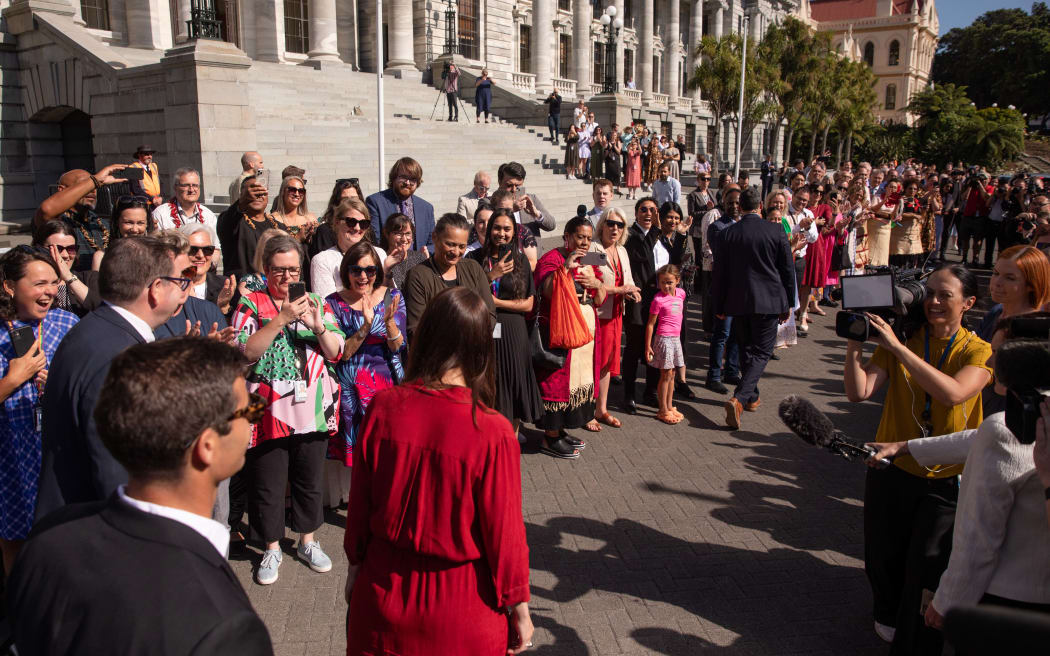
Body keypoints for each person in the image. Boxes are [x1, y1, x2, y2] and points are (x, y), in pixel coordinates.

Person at [8, 337, 274, 655]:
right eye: (250, 409)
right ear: (208, 446)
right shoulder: (225, 630)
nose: (254, 419)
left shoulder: (47, 543)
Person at [343, 287, 532, 655]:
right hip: (461, 606)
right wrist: (519, 607)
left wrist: (354, 567)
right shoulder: (492, 431)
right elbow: (504, 532)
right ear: (481, 348)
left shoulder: (384, 407)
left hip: (382, 593)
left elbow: (359, 506)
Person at [843, 263, 992, 652]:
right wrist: (854, 342)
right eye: (930, 293)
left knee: (926, 560)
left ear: (969, 303)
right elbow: (860, 393)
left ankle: (918, 631)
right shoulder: (905, 338)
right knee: (883, 553)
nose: (934, 302)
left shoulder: (979, 350)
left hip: (945, 474)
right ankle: (888, 614)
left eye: (946, 295)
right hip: (891, 465)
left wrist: (897, 348)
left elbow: (954, 394)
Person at [863, 342, 1050, 635]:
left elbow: (980, 536)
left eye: (999, 350)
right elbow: (975, 438)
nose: (990, 357)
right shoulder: (1030, 421)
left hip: (1004, 599)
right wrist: (905, 447)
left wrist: (948, 599)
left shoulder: (1005, 430)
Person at [35, 237, 190, 519]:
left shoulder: (95, 329)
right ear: (156, 289)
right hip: (97, 537)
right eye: (180, 281)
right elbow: (118, 474)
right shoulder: (121, 358)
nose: (184, 292)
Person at [232, 234, 344, 585]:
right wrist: (280, 319)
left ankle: (308, 540)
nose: (286, 277)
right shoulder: (251, 303)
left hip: (312, 403)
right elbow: (244, 353)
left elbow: (335, 351)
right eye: (279, 270)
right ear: (266, 269)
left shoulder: (315, 301)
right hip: (264, 407)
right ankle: (271, 546)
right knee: (268, 478)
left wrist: (316, 325)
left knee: (308, 477)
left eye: (293, 269)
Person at [0, 247, 79, 575]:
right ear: (10, 287)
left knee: (64, 542)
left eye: (52, 283)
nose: (48, 291)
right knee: (15, 545)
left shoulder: (68, 322)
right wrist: (13, 379)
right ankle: (23, 616)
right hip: (9, 458)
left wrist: (59, 382)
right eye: (38, 284)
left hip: (56, 451)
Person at [325, 240, 406, 506]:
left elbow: (397, 345)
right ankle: (360, 503)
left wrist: (389, 322)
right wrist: (365, 328)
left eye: (370, 271)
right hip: (350, 386)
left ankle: (384, 501)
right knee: (358, 454)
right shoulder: (333, 303)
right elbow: (342, 353)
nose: (363, 277)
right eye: (356, 270)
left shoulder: (392, 297)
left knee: (385, 448)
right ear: (346, 271)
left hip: (386, 383)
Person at [711, 187, 794, 430]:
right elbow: (787, 270)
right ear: (760, 205)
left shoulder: (728, 234)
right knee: (761, 351)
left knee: (747, 348)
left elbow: (719, 274)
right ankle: (740, 398)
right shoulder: (776, 230)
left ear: (741, 206)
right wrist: (789, 302)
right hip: (768, 301)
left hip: (739, 302)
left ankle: (751, 396)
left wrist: (719, 303)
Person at [534, 217, 606, 457]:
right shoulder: (551, 258)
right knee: (556, 381)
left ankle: (561, 430)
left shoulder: (590, 261)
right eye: (579, 237)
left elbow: (600, 297)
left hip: (585, 335)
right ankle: (550, 437)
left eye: (588, 238)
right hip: (560, 333)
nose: (584, 243)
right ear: (567, 235)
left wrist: (596, 282)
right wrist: (565, 268)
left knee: (578, 382)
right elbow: (546, 290)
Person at [467, 209, 544, 431]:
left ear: (515, 232)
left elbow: (529, 303)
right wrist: (491, 276)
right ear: (489, 229)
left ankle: (511, 439)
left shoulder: (520, 261)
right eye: (497, 228)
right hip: (483, 329)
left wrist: (496, 302)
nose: (501, 233)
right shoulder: (474, 259)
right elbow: (467, 294)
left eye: (507, 229)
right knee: (487, 385)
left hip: (513, 331)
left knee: (513, 384)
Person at [403, 212, 495, 337]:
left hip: (474, 350)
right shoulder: (418, 275)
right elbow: (416, 328)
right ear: (435, 237)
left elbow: (490, 315)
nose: (456, 252)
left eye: (462, 246)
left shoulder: (473, 268)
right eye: (450, 244)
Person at [590, 208, 640, 429]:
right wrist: (621, 289)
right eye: (611, 223)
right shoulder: (595, 249)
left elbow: (626, 280)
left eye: (620, 225)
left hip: (615, 314)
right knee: (594, 362)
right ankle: (587, 410)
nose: (615, 229)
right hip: (597, 315)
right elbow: (592, 285)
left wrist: (632, 292)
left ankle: (601, 409)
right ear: (602, 225)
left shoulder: (622, 251)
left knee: (608, 363)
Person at [32, 164, 128, 271]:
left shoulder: (102, 223)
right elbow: (47, 210)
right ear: (62, 189)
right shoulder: (56, 222)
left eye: (95, 186)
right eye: (85, 185)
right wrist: (96, 180)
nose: (93, 189)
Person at [621, 198, 661, 414]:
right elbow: (643, 255)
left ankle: (651, 390)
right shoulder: (631, 235)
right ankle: (628, 394)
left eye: (653, 210)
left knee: (655, 344)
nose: (648, 214)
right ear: (636, 213)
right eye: (644, 210)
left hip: (658, 300)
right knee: (635, 347)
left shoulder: (660, 235)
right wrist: (655, 229)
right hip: (637, 299)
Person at [311, 198, 388, 300]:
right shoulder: (323, 260)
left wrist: (387, 271)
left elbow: (390, 297)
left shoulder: (379, 254)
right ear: (337, 222)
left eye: (363, 223)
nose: (357, 228)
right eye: (351, 222)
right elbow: (326, 305)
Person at [705, 186, 742, 393]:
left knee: (737, 333)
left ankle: (731, 371)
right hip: (724, 289)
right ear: (724, 204)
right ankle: (713, 376)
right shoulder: (717, 227)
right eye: (730, 203)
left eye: (738, 203)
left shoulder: (742, 224)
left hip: (740, 291)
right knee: (722, 334)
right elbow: (726, 255)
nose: (734, 206)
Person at [217, 176, 288, 279]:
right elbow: (229, 219)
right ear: (243, 196)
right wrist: (243, 201)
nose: (257, 196)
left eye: (261, 192)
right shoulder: (234, 222)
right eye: (252, 192)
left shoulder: (278, 226)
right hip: (242, 288)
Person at [366, 158, 435, 253]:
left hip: (419, 263)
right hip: (388, 262)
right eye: (403, 177)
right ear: (394, 178)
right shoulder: (375, 202)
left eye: (413, 179)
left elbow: (433, 243)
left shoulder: (426, 208)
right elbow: (374, 241)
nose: (407, 183)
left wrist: (420, 257)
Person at [645, 264, 686, 425]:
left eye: (669, 282)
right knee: (665, 375)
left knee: (672, 374)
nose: (666, 286)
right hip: (663, 339)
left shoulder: (681, 294)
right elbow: (650, 324)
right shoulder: (658, 300)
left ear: (677, 280)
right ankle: (662, 410)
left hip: (675, 339)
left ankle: (669, 406)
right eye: (663, 282)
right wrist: (647, 345)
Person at [32, 220, 97, 316]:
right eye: (58, 249)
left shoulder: (88, 278)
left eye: (71, 249)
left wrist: (68, 277)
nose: (65, 255)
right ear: (39, 249)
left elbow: (103, 309)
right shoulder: (31, 283)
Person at [91, 194, 154, 270]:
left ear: (147, 224)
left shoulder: (157, 256)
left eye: (140, 223)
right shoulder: (102, 258)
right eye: (128, 222)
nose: (134, 229)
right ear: (117, 222)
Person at [496, 160, 556, 239]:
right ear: (499, 182)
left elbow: (551, 225)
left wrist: (537, 214)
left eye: (518, 186)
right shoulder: (489, 201)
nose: (513, 190)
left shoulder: (531, 199)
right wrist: (511, 210)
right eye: (509, 185)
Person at [184, 225, 236, 314]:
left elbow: (231, 326)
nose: (200, 255)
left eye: (207, 249)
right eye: (192, 249)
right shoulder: (170, 286)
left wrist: (223, 308)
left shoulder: (224, 285)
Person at [153, 167, 218, 237]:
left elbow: (216, 246)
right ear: (175, 187)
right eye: (186, 185)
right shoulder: (161, 214)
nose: (191, 190)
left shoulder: (208, 215)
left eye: (195, 185)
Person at [311, 177, 365, 257]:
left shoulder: (366, 228)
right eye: (345, 199)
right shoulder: (325, 231)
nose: (350, 202)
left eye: (354, 198)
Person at [381, 212, 429, 289]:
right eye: (398, 234)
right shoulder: (381, 260)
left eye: (408, 234)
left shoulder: (420, 258)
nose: (404, 239)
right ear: (387, 234)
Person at [271, 175, 318, 243]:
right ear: (283, 192)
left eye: (301, 191)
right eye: (292, 190)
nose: (297, 194)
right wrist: (298, 238)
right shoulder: (272, 220)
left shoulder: (311, 219)